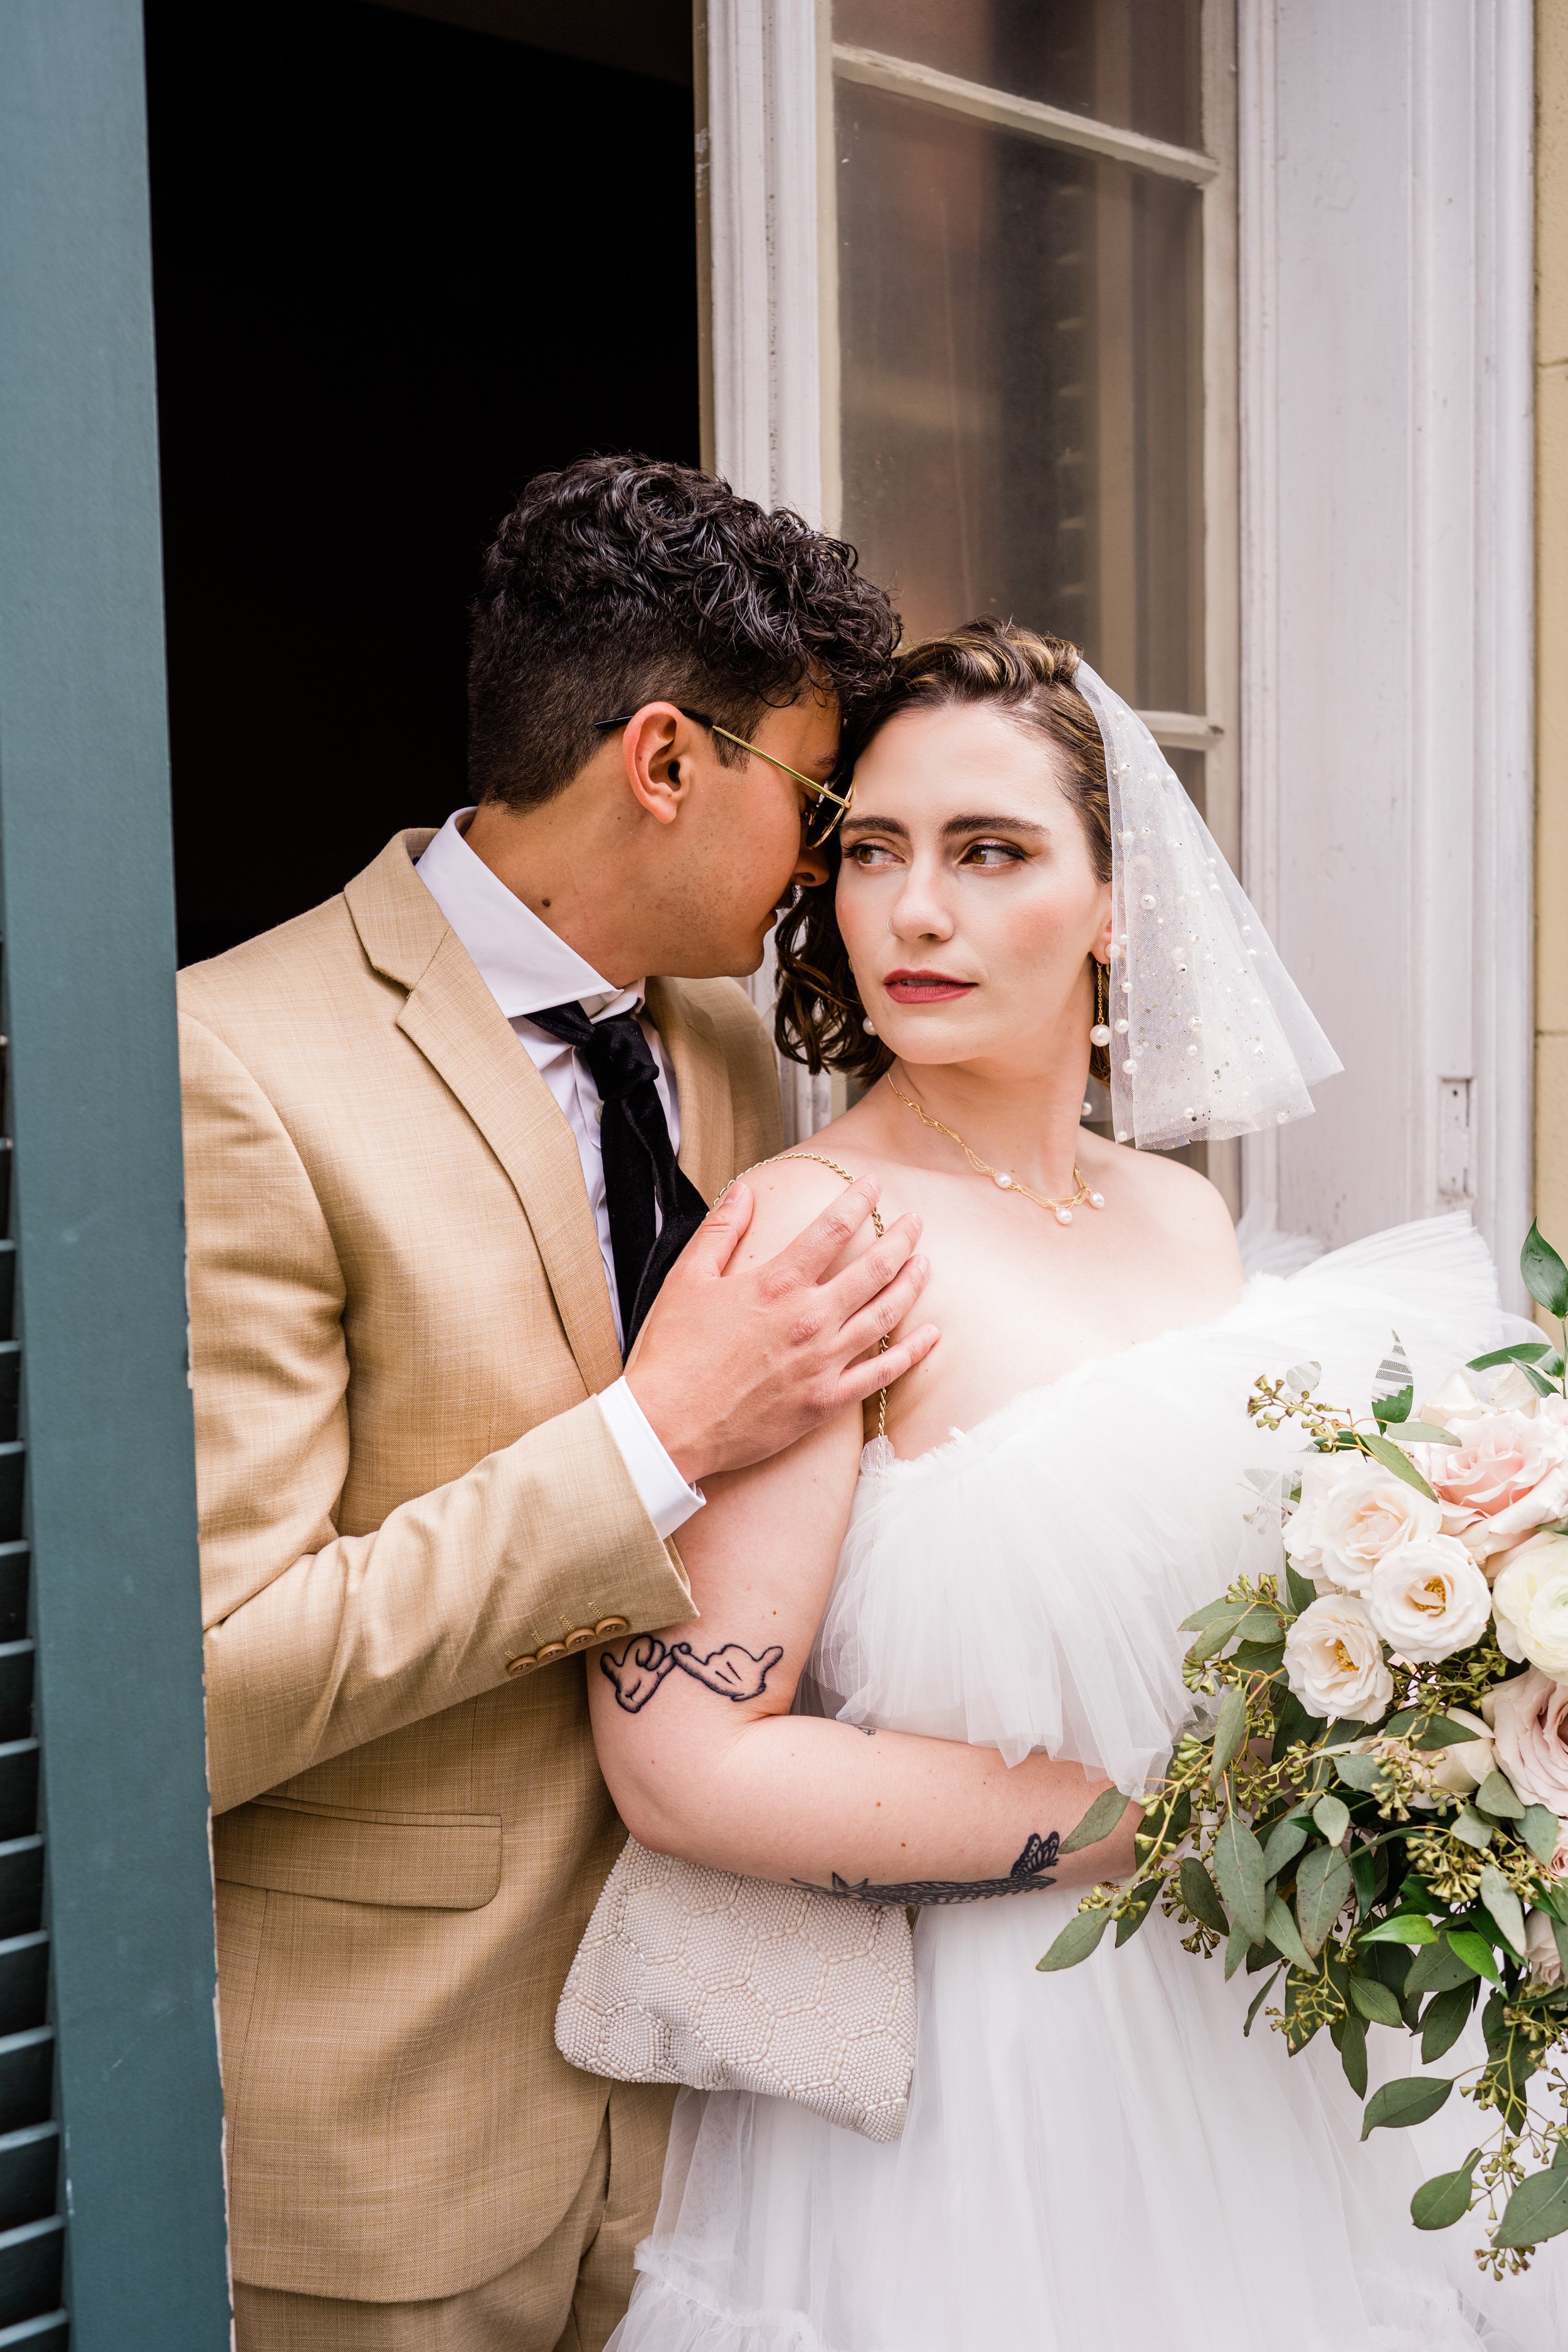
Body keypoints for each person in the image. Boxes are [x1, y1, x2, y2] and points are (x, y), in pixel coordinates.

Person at [179, 462, 1134, 2352]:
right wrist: (651, 1437)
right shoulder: (234, 1071)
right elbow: (198, 1682)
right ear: (665, 764)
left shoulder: (709, 1046)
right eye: (823, 808)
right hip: (396, 2134)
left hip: (726, 2108)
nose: (828, 874)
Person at [585, 620, 1560, 2351]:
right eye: (872, 854)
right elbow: (683, 1767)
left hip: (1262, 2024)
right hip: (997, 2070)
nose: (915, 912)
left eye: (990, 852)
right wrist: (1177, 1825)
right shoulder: (819, 1235)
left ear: (1121, 904)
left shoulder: (1172, 1214)